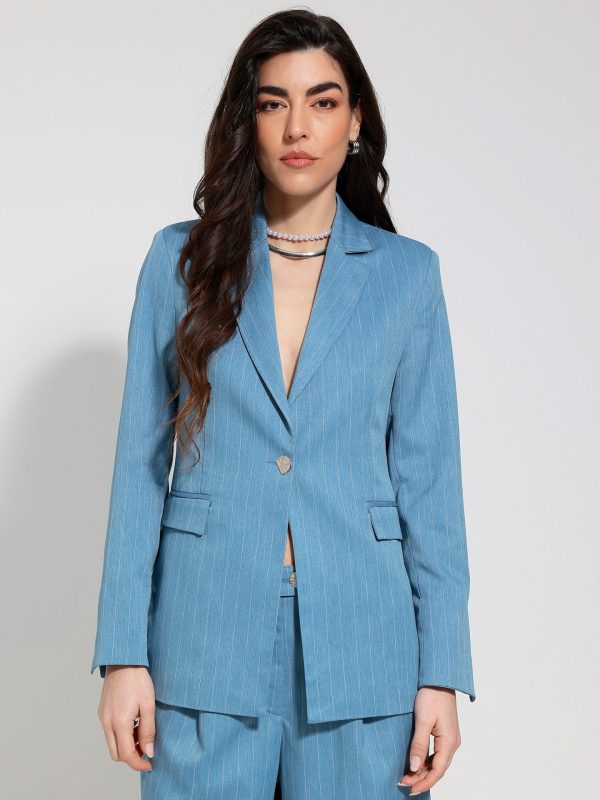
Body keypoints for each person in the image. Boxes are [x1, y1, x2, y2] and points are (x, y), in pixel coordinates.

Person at [91, 9, 476, 799]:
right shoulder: (181, 261)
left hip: (364, 646)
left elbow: (431, 486)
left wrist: (442, 670)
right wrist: (123, 654)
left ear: (355, 120)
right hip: (204, 636)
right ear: (250, 120)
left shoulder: (408, 276)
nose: (298, 127)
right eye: (274, 103)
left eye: (323, 101)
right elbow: (139, 468)